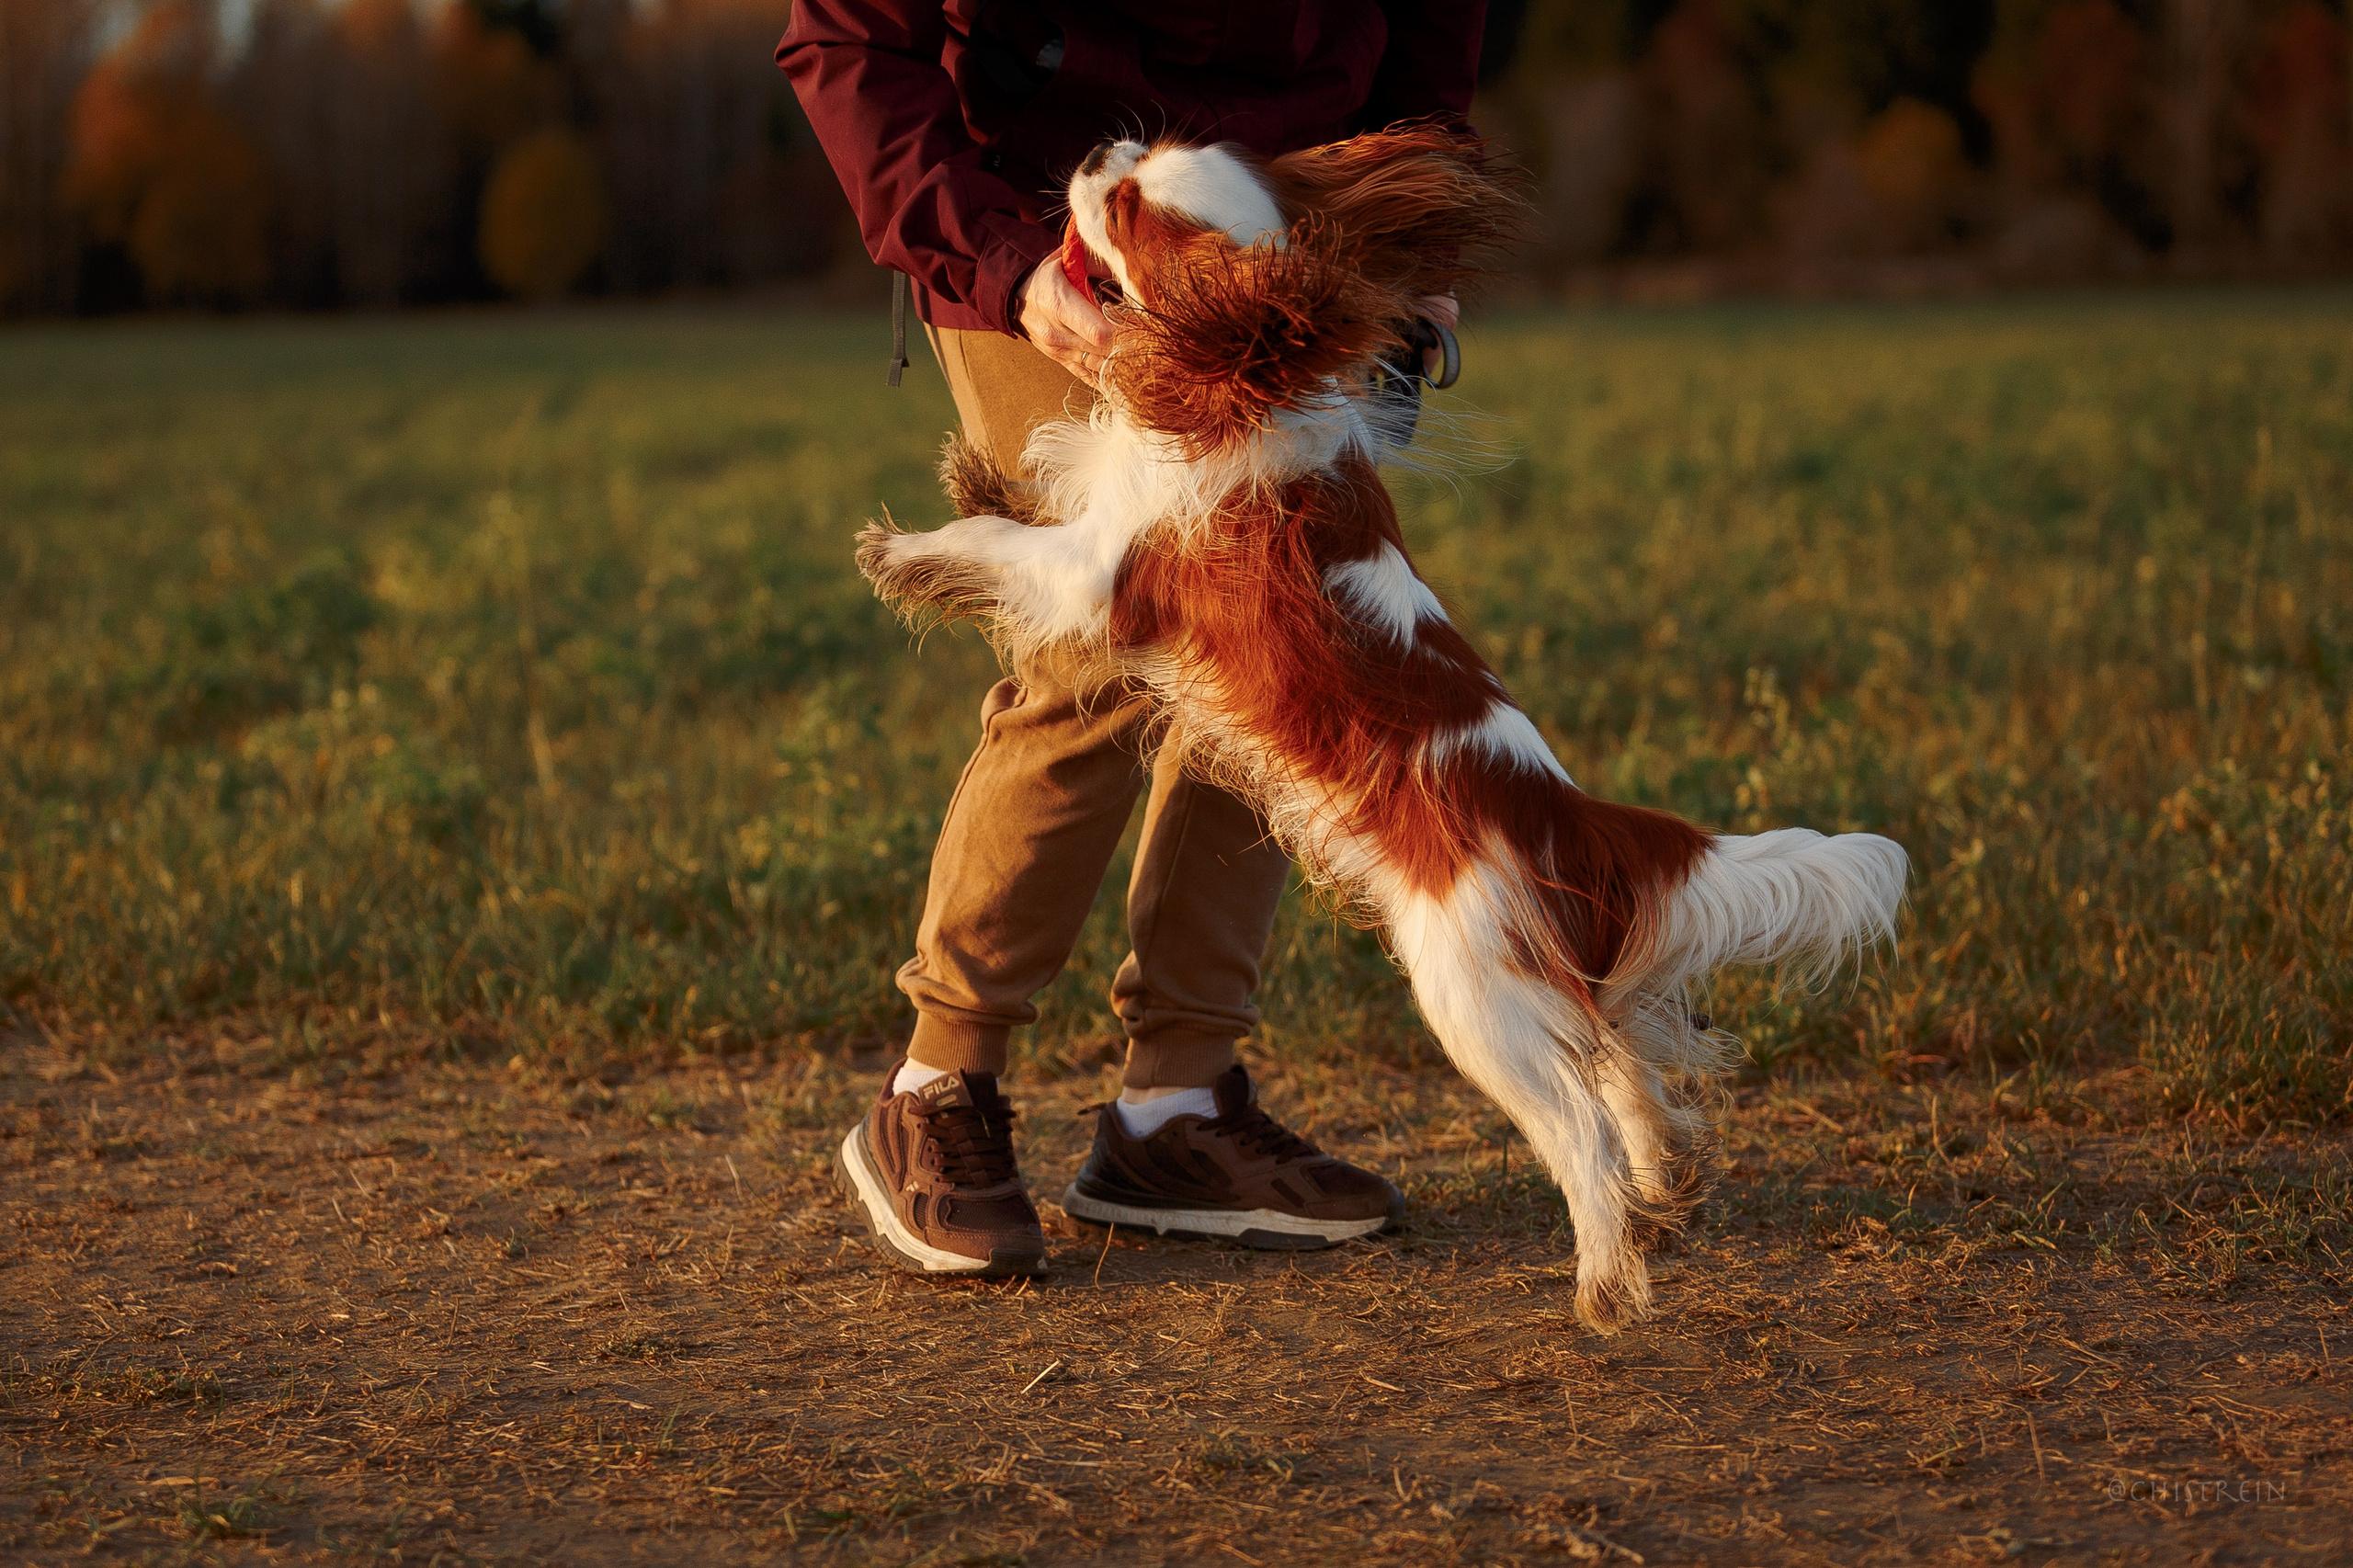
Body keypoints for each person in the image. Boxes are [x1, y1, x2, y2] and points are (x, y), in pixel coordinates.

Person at [778, 2, 1486, 1277]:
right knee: (1101, 637)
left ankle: (1175, 1105)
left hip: (1281, 211)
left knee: (1285, 623)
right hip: (1042, 211)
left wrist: (1417, 242)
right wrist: (1005, 267)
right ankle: (938, 1080)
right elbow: (846, 41)